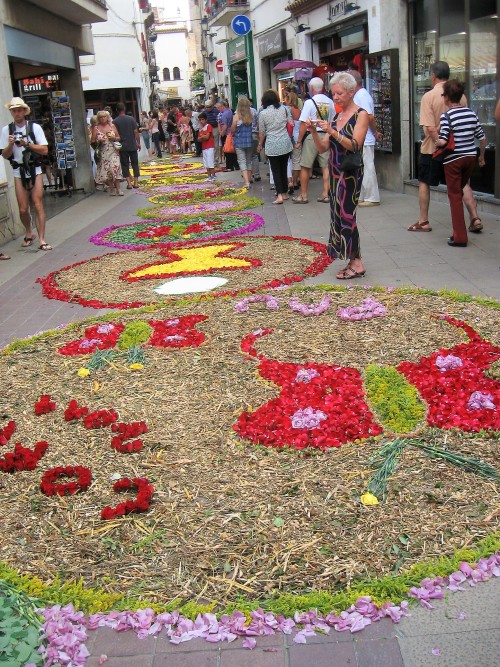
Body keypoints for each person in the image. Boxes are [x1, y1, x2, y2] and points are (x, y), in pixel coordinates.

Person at [409, 60, 482, 233]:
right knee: (462, 183)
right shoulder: (461, 96)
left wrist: (440, 145)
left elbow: (428, 128)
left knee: (425, 182)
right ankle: (474, 217)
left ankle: (423, 221)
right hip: (460, 149)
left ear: (433, 76)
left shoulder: (429, 96)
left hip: (432, 149)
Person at [308, 72, 369, 279]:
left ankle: (356, 262)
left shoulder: (361, 114)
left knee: (347, 216)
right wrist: (314, 131)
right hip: (335, 172)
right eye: (333, 93)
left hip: (350, 173)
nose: (335, 97)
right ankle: (354, 259)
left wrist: (332, 132)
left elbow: (355, 145)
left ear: (351, 92)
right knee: (337, 215)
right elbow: (324, 148)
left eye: (339, 93)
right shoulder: (336, 116)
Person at [434, 80, 486, 247]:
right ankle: (470, 223)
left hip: (454, 160)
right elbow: (482, 138)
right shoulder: (471, 113)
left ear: (447, 97)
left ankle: (459, 237)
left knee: (454, 196)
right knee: (462, 188)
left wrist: (436, 143)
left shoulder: (447, 116)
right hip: (470, 158)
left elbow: (443, 140)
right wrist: (482, 157)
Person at [0, 96, 51, 252]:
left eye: (19, 110)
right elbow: (5, 155)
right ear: (11, 112)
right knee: (23, 208)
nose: (17, 113)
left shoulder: (34, 128)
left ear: (24, 111)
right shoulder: (6, 130)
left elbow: (45, 150)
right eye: (14, 110)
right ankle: (29, 232)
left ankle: (41, 238)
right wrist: (10, 144)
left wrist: (27, 143)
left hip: (34, 169)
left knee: (37, 203)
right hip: (18, 171)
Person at [293, 77, 334, 204]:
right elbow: (332, 121)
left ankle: (304, 195)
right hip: (326, 135)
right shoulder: (330, 101)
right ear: (322, 88)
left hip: (312, 135)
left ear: (311, 88)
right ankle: (325, 194)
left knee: (305, 165)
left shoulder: (309, 102)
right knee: (326, 166)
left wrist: (299, 141)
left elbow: (304, 123)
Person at [348, 69, 381, 206]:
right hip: (362, 138)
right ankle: (363, 195)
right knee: (362, 167)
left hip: (366, 138)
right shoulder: (359, 95)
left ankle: (372, 197)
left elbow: (369, 116)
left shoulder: (362, 95)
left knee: (368, 167)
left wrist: (374, 131)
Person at [257, 89, 293, 205]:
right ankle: (285, 193)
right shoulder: (283, 109)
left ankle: (279, 195)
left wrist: (260, 144)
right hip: (285, 142)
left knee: (275, 170)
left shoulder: (263, 113)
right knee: (283, 168)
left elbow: (262, 131)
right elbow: (290, 123)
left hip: (272, 144)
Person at [91, 110, 123, 196]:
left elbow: (119, 138)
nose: (102, 118)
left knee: (115, 168)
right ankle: (112, 189)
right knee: (108, 171)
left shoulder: (112, 126)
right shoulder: (96, 128)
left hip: (113, 151)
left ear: (107, 117)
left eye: (104, 117)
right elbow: (92, 141)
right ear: (98, 118)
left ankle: (119, 189)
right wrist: (99, 141)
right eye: (100, 117)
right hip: (104, 152)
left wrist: (114, 138)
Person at [113, 103, 141, 189]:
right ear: (124, 108)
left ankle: (129, 183)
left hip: (122, 146)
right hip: (132, 144)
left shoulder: (115, 121)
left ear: (117, 110)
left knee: (124, 165)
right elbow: (136, 131)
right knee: (135, 163)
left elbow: (115, 134)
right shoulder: (131, 119)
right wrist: (138, 142)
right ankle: (136, 183)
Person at [231, 96, 254, 188]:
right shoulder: (250, 116)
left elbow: (232, 129)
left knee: (242, 161)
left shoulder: (237, 116)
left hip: (239, 141)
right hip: (249, 141)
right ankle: (249, 178)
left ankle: (246, 182)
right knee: (249, 161)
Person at [284, 91, 302, 191]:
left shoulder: (287, 109)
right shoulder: (299, 110)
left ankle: (290, 181)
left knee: (288, 160)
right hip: (298, 136)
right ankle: (296, 181)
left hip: (289, 136)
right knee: (297, 160)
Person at [217, 100, 238, 171]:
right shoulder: (229, 111)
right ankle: (236, 164)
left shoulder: (224, 114)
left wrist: (222, 134)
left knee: (227, 150)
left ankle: (229, 166)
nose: (218, 109)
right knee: (232, 150)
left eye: (218, 108)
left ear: (222, 106)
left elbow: (225, 125)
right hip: (231, 133)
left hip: (226, 133)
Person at [197, 112, 216, 181]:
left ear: (206, 120)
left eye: (202, 119)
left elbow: (207, 137)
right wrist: (203, 137)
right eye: (200, 120)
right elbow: (198, 139)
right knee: (206, 163)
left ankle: (213, 176)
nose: (201, 121)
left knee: (210, 161)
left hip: (210, 146)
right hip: (204, 147)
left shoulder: (208, 126)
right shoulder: (200, 128)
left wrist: (202, 137)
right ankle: (209, 176)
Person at [204, 99, 220, 165]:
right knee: (209, 145)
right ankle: (210, 159)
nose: (208, 108)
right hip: (208, 128)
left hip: (215, 128)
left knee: (216, 145)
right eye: (207, 107)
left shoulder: (216, 111)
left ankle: (216, 160)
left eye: (209, 107)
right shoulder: (205, 112)